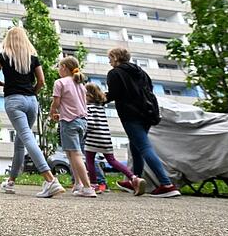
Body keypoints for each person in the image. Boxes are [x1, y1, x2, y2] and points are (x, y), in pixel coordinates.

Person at [0, 27, 65, 198]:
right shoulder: (32, 58)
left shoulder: (2, 56)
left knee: (26, 137)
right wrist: (33, 92)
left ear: (8, 39)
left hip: (14, 100)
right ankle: (10, 182)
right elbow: (41, 81)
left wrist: (4, 85)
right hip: (32, 101)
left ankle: (50, 179)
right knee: (20, 141)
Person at [105, 48, 181, 198]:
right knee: (136, 147)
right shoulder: (141, 72)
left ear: (116, 57)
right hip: (148, 113)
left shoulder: (115, 73)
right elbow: (149, 90)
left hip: (130, 115)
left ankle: (166, 184)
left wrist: (98, 98)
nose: (109, 61)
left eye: (110, 58)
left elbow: (114, 94)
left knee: (144, 147)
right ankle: (135, 180)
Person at [50, 57, 97, 198]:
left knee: (75, 154)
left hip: (69, 122)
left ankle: (88, 187)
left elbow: (56, 102)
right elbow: (76, 104)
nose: (58, 69)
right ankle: (78, 184)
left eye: (59, 67)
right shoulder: (80, 85)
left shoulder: (60, 82)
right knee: (71, 154)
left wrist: (52, 111)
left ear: (64, 67)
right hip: (82, 122)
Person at [84, 83, 141, 194]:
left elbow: (91, 124)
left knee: (90, 161)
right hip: (105, 139)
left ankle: (94, 184)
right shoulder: (100, 107)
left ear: (88, 95)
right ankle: (134, 178)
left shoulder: (88, 107)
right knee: (112, 161)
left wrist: (83, 127)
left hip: (92, 139)